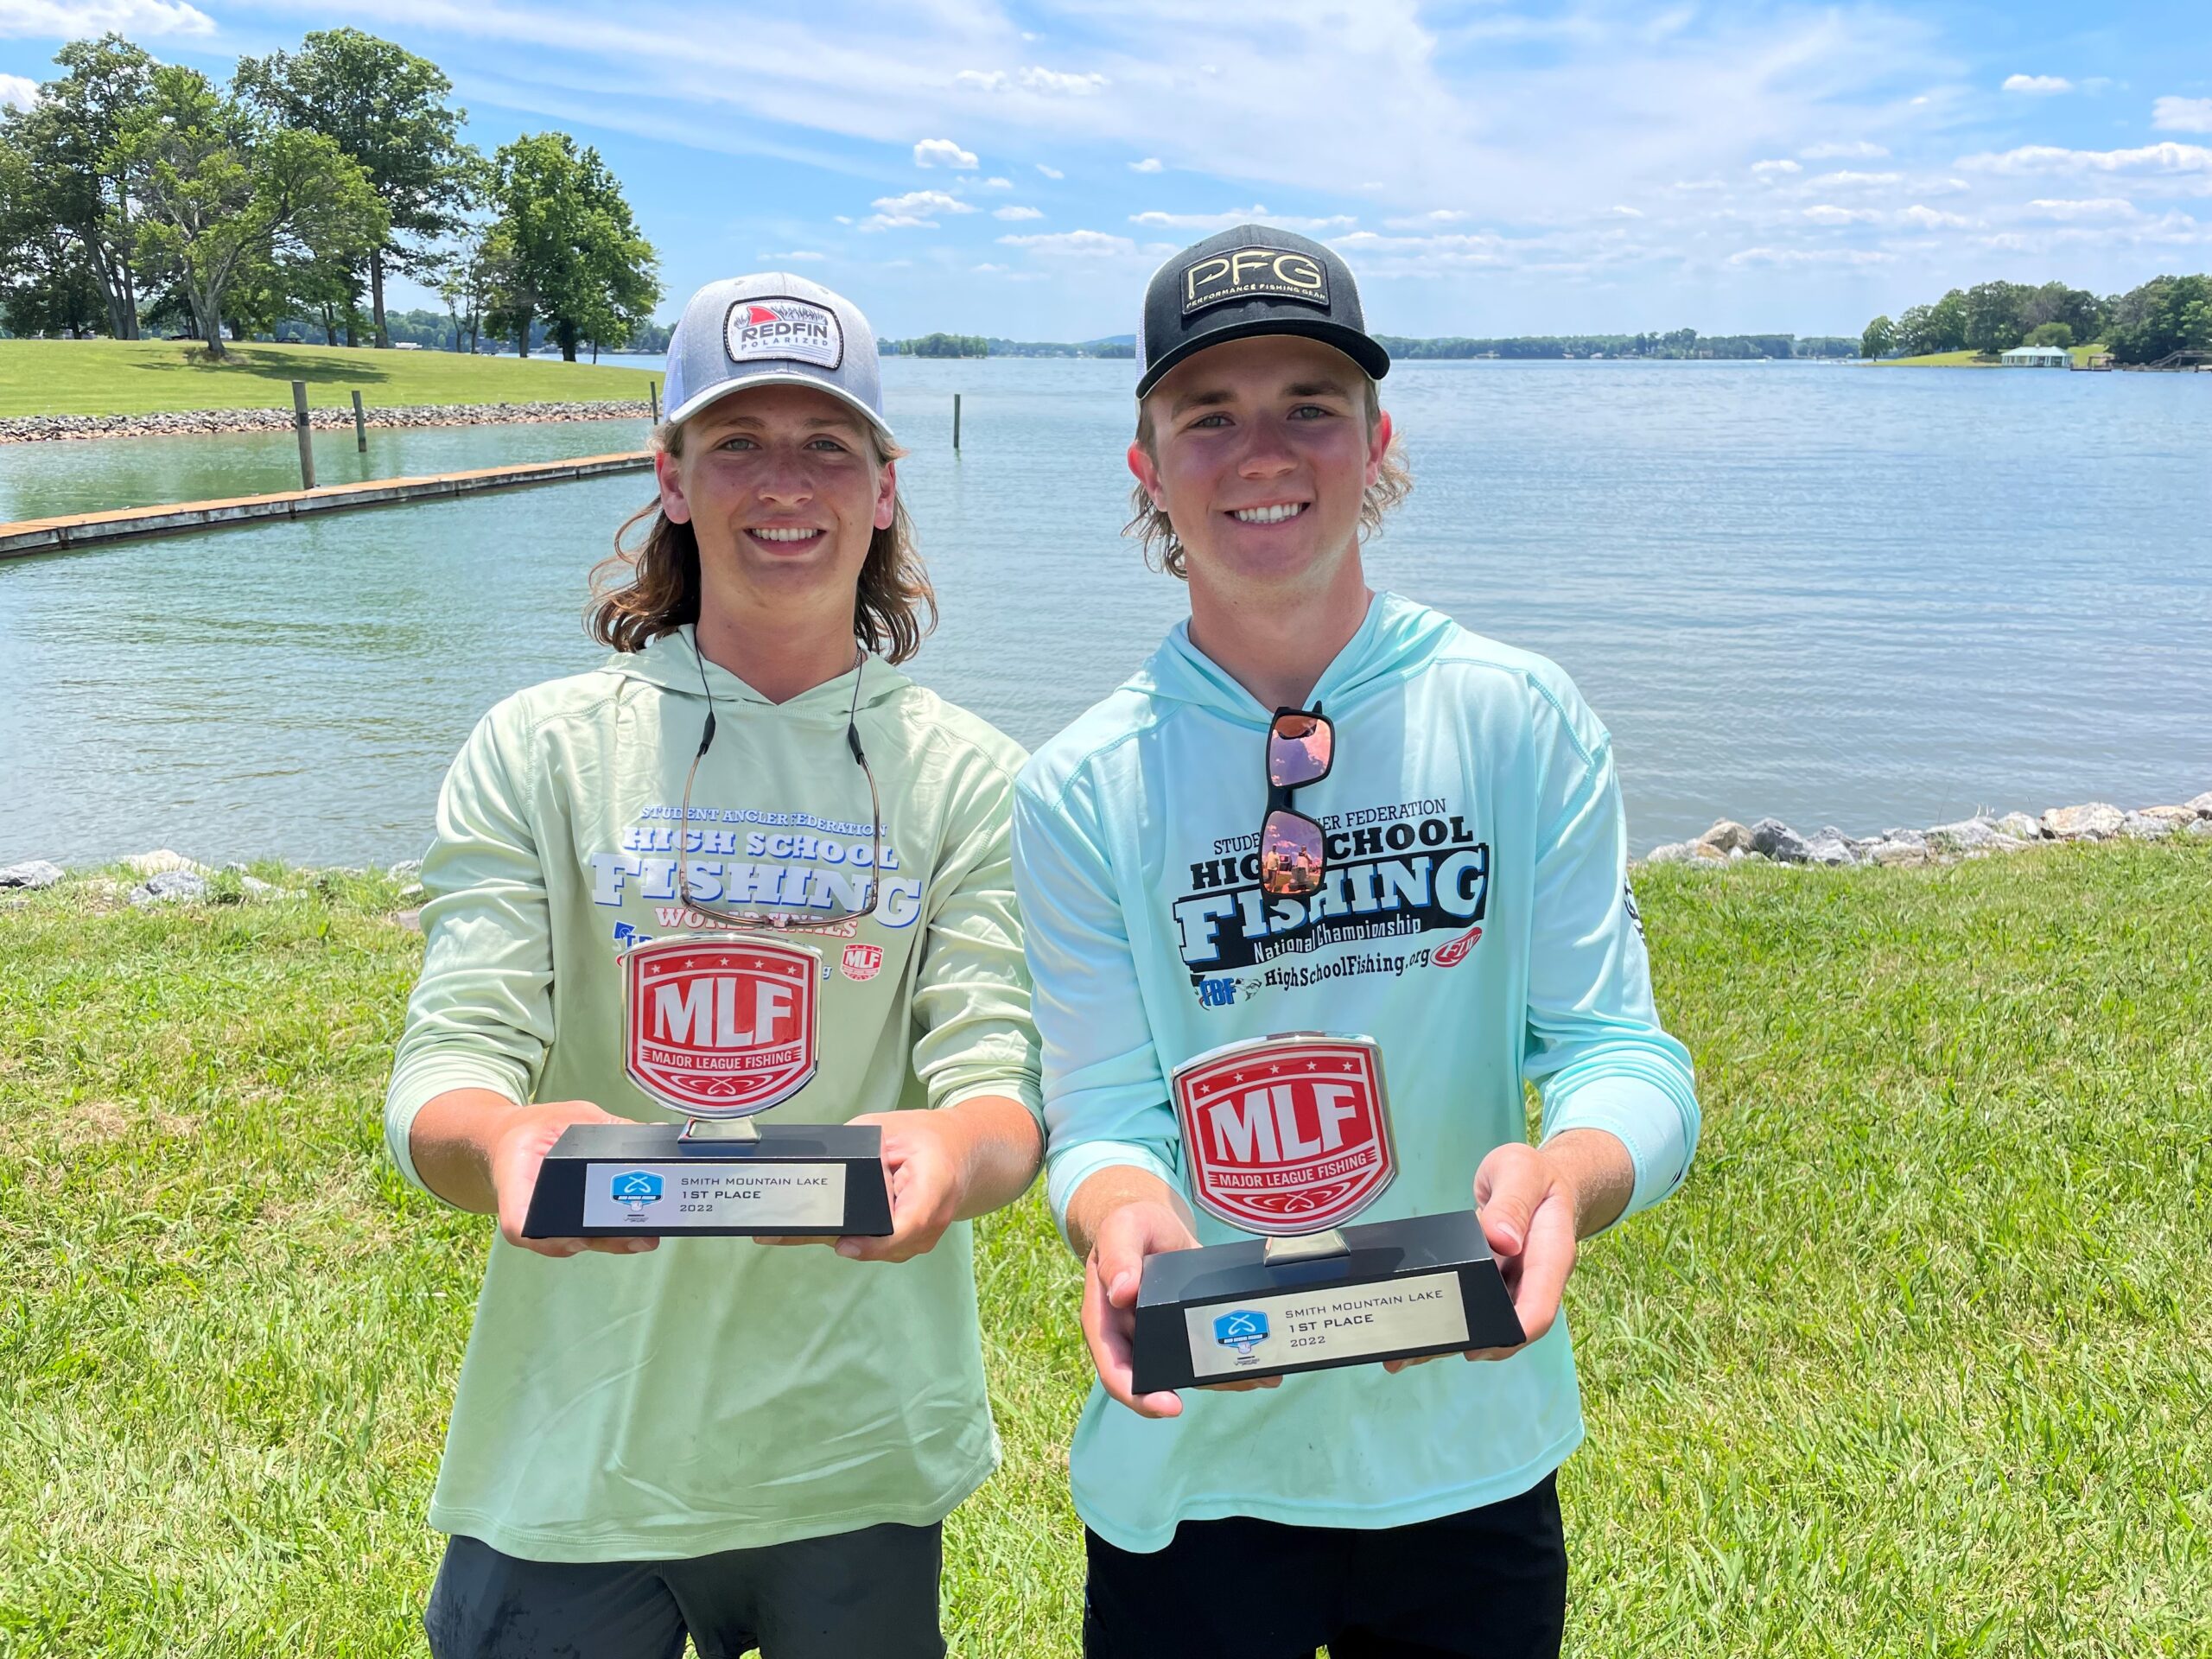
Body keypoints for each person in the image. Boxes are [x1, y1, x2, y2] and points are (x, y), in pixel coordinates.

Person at [1011, 226, 1701, 1658]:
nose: (1262, 452)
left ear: (1378, 439)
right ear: (1147, 464)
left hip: (1469, 1453)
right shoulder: (1080, 784)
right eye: (1209, 415)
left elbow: (1622, 1055)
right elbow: (1100, 1112)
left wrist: (1568, 1168)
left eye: (1308, 406)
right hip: (1195, 1461)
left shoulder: (1521, 718)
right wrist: (1121, 1216)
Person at [385, 272, 1043, 1659]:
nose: (784, 482)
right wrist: (504, 1141)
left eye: (828, 443)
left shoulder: (976, 778)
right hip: (575, 1449)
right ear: (672, 474)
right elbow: (447, 1070)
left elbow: (998, 1087)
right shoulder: (540, 749)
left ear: (883, 485)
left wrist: (953, 1155)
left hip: (858, 1443)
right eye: (739, 441)